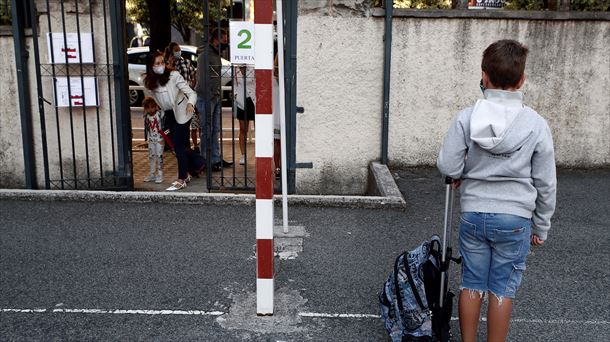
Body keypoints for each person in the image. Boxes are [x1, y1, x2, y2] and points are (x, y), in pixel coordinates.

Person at [437, 39, 556, 342]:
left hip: (475, 213)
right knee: (502, 289)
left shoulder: (467, 117)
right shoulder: (536, 124)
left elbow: (448, 165)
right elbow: (545, 182)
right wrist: (541, 225)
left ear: (484, 76)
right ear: (521, 80)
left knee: (472, 283)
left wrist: (462, 173)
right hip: (515, 218)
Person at [144, 51, 197, 191]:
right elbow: (155, 100)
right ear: (151, 66)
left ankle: (182, 179)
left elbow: (191, 93)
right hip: (168, 115)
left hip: (182, 112)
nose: (161, 65)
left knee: (178, 146)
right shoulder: (150, 82)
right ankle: (195, 167)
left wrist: (191, 104)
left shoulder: (173, 76)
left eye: (162, 62)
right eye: (157, 63)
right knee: (175, 147)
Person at [196, 28, 233, 172]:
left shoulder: (213, 54)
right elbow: (203, 77)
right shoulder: (206, 55)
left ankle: (215, 158)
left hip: (214, 96)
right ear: (216, 39)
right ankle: (205, 160)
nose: (226, 42)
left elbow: (213, 75)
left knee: (214, 129)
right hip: (207, 97)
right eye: (224, 39)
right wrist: (211, 93)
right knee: (207, 130)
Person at [165, 42, 199, 151]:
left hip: (187, 98)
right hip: (175, 100)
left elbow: (194, 74)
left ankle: (187, 148)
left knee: (189, 123)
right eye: (176, 50)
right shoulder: (167, 65)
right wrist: (170, 64)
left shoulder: (186, 62)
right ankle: (179, 147)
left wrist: (193, 84)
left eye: (179, 49)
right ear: (171, 52)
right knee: (178, 125)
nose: (178, 52)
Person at [233, 65, 255, 165]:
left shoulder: (253, 67)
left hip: (254, 101)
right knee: (243, 129)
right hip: (241, 102)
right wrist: (236, 95)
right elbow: (234, 85)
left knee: (259, 130)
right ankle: (243, 155)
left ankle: (259, 154)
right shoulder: (235, 68)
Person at [142, 97, 165, 184]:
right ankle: (152, 174)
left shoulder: (160, 114)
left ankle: (160, 174)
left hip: (160, 139)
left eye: (152, 107)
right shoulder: (146, 117)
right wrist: (146, 139)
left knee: (159, 156)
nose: (150, 109)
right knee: (151, 156)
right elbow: (146, 129)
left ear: (156, 106)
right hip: (151, 139)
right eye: (147, 108)